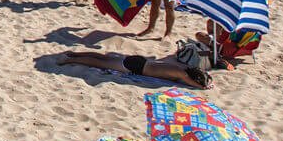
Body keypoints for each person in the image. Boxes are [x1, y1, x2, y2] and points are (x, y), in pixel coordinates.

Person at [56, 50, 210, 89]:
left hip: (141, 61)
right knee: (99, 63)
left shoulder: (181, 67)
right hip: (137, 67)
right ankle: (70, 59)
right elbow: (190, 82)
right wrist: (203, 86)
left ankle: (75, 53)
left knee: (103, 58)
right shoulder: (181, 74)